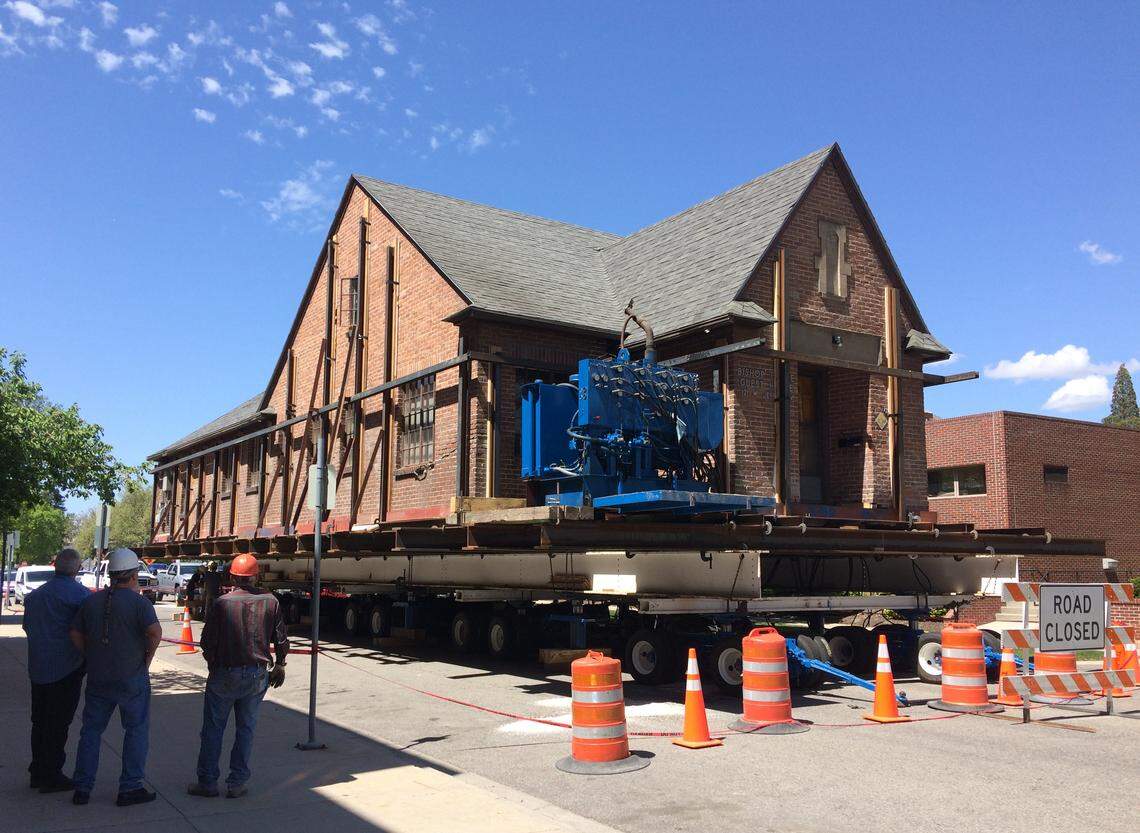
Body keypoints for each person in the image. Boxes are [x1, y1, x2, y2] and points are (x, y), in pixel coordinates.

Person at [188, 553, 288, 799]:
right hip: (255, 675)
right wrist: (280, 665)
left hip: (224, 672)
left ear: (232, 576)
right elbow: (282, 640)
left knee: (213, 729)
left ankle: (208, 783)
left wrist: (213, 664)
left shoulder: (222, 603)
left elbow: (206, 641)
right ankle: (237, 783)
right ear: (256, 576)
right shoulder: (271, 601)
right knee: (246, 729)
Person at [69, 548, 162, 807]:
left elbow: (75, 633)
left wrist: (90, 655)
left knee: (91, 731)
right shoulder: (140, 603)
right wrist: (147, 659)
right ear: (133, 575)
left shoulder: (91, 602)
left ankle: (82, 787)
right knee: (135, 730)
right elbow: (155, 633)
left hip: (99, 677)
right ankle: (130, 787)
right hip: (131, 678)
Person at [22, 548, 89, 793]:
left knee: (39, 721)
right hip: (66, 669)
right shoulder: (80, 596)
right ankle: (51, 774)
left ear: (55, 566)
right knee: (58, 723)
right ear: (77, 568)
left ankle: (38, 771)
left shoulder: (35, 596)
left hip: (38, 667)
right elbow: (85, 631)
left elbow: (27, 626)